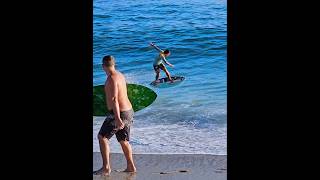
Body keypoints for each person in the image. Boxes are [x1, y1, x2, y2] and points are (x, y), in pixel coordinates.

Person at [93, 55, 136, 176]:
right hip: (128, 111)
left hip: (119, 113)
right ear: (114, 64)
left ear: (103, 66)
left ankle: (106, 168)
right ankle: (130, 166)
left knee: (102, 137)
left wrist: (117, 118)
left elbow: (114, 99)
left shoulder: (111, 79)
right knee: (123, 140)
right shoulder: (120, 75)